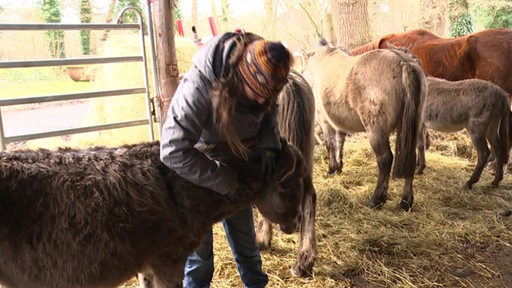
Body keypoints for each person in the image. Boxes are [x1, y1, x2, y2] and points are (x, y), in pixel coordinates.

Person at [159, 31, 293, 288]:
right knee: (200, 257)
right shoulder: (198, 87)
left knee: (247, 246)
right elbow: (173, 149)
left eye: (269, 94)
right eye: (256, 93)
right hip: (195, 169)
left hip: (235, 165)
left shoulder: (265, 72)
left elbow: (269, 112)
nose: (262, 99)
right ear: (240, 75)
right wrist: (224, 180)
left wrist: (268, 144)